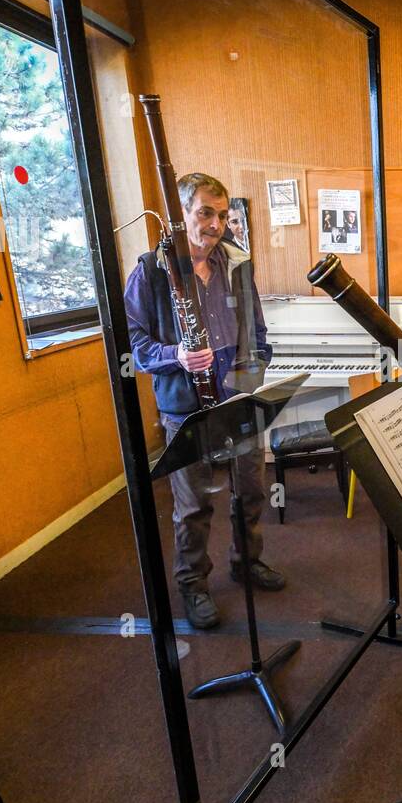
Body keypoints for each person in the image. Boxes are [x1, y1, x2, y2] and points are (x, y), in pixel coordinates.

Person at [125, 172, 284, 630]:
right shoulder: (151, 271)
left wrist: (251, 377)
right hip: (185, 406)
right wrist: (175, 355)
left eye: (222, 214)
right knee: (193, 504)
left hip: (237, 399)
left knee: (250, 490)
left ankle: (246, 562)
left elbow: (256, 330)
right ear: (182, 215)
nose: (216, 224)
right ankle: (193, 584)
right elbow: (133, 343)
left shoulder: (236, 263)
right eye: (205, 213)